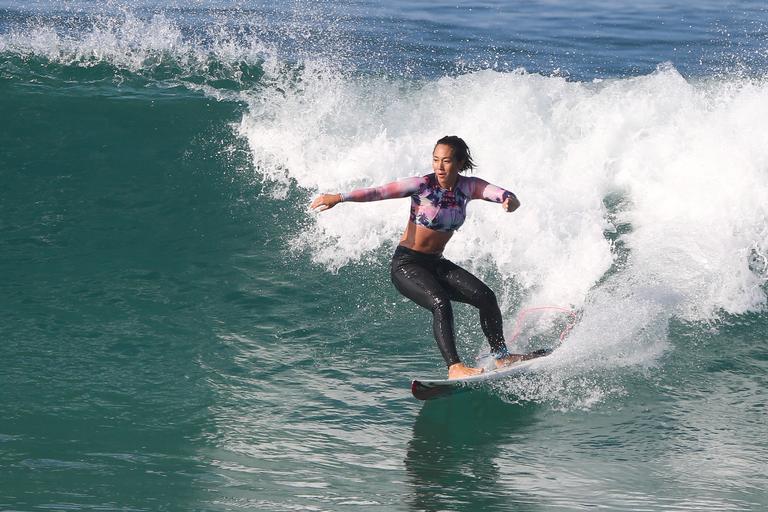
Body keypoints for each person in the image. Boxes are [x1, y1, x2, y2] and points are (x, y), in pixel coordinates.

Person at [311, 135, 541, 379]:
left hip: (436, 263)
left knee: (486, 297)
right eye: (435, 160)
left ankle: (502, 356)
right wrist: (340, 197)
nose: (439, 167)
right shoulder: (422, 185)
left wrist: (510, 201)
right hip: (407, 264)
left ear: (460, 163)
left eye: (446, 161)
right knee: (440, 302)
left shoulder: (469, 187)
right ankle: (454, 367)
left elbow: (501, 193)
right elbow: (379, 192)